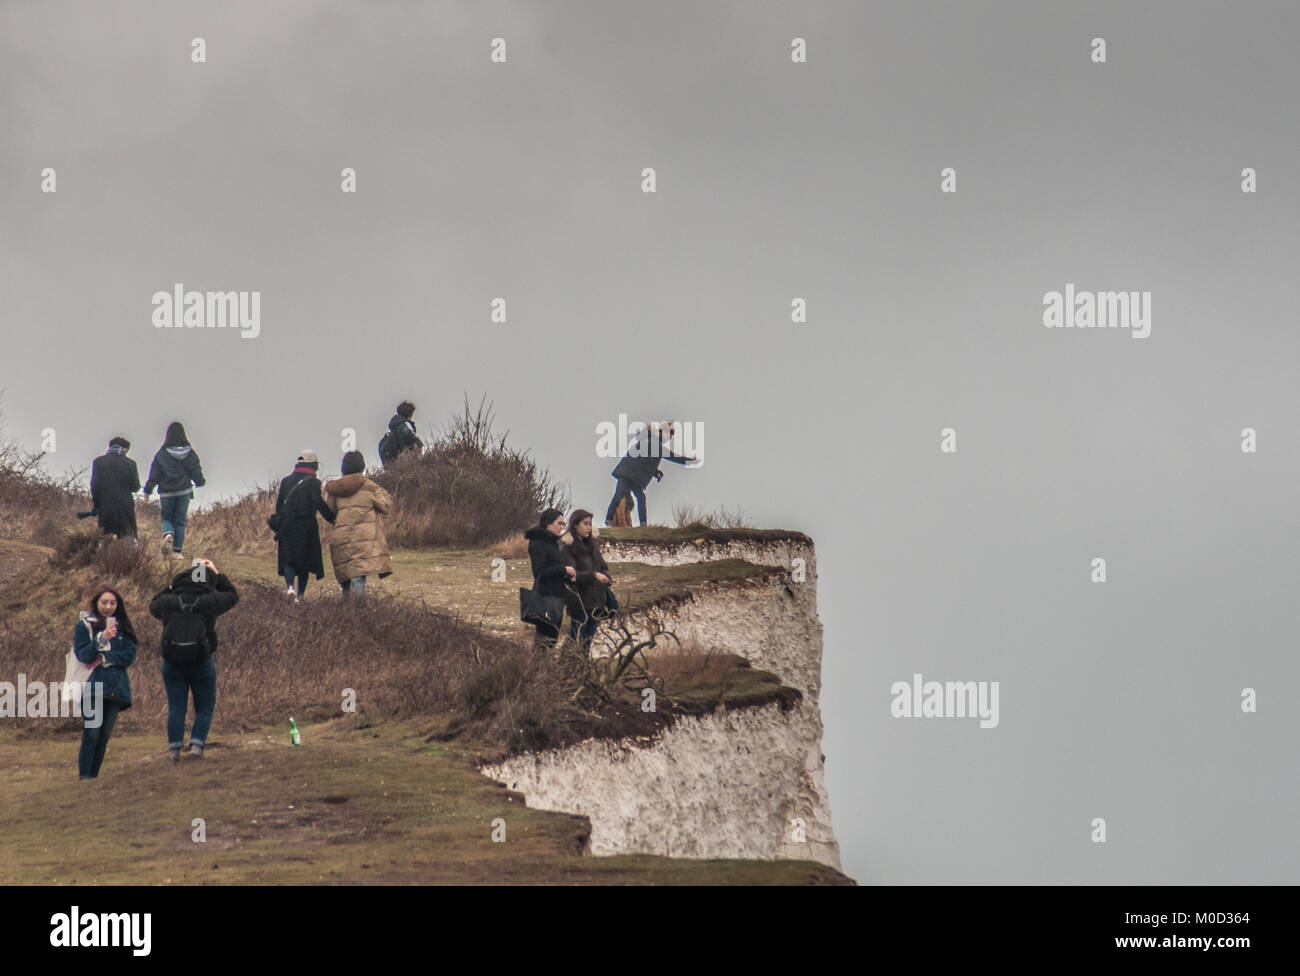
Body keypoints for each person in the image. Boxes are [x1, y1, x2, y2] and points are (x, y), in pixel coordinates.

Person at [149, 559, 239, 760]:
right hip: (201, 660)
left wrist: (171, 587)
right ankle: (197, 746)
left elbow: (153, 606)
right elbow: (232, 596)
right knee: (205, 708)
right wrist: (217, 572)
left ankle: (174, 750)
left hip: (172, 662)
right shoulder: (209, 602)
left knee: (176, 707)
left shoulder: (169, 602)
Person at [73, 585, 138, 779]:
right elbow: (83, 654)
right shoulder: (85, 626)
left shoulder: (124, 628)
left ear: (118, 605)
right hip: (93, 687)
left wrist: (104, 658)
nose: (108, 606)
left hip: (117, 687)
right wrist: (101, 638)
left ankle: (93, 777)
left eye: (112, 603)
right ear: (96, 603)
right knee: (91, 734)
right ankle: (84, 777)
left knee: (103, 737)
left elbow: (129, 655)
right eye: (104, 602)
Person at [323, 451, 393, 596]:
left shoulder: (335, 489)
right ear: (362, 466)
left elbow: (331, 511)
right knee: (358, 576)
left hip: (341, 537)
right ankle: (356, 613)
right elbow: (386, 505)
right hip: (363, 538)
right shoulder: (369, 486)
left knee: (346, 575)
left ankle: (346, 613)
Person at [604, 420, 698, 527]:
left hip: (631, 473)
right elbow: (671, 456)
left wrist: (656, 472)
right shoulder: (654, 443)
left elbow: (645, 461)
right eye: (670, 434)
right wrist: (688, 460)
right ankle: (612, 522)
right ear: (663, 432)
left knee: (634, 497)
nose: (670, 437)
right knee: (622, 496)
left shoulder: (651, 442)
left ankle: (638, 524)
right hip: (628, 473)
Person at [274, 450, 336, 602]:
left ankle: (290, 588)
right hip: (306, 526)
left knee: (289, 559)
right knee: (304, 562)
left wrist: (280, 522)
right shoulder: (314, 482)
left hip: (287, 525)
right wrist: (333, 518)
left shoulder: (286, 481)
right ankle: (300, 595)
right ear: (313, 465)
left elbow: (279, 505)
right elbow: (318, 502)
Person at [142, 421, 206, 559]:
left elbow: (154, 475)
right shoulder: (190, 452)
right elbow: (195, 469)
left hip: (166, 492)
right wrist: (200, 482)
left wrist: (147, 491)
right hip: (184, 491)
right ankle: (177, 552)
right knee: (180, 520)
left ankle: (168, 533)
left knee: (166, 517)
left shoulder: (161, 454)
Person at [562, 509, 618, 648]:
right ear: (575, 525)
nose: (589, 527)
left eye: (590, 524)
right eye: (585, 524)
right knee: (576, 641)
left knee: (587, 642)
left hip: (597, 601)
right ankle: (570, 667)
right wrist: (594, 575)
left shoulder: (592, 545)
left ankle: (583, 669)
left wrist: (606, 577)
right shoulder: (567, 548)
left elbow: (603, 567)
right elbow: (571, 575)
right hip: (580, 603)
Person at [524, 508, 577, 648]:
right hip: (545, 597)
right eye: (559, 523)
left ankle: (545, 669)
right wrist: (563, 569)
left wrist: (567, 576)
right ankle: (536, 670)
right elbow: (539, 571)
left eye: (563, 524)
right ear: (548, 523)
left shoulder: (552, 542)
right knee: (543, 643)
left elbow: (554, 569)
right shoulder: (538, 542)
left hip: (556, 597)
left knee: (551, 641)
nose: (562, 527)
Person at [89, 437, 140, 542]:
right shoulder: (131, 463)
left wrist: (96, 505)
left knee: (104, 538)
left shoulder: (98, 462)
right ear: (125, 449)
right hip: (125, 505)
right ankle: (127, 558)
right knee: (128, 537)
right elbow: (135, 487)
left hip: (105, 504)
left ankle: (105, 557)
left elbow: (94, 486)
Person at [378, 400, 423, 467]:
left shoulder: (394, 428)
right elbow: (413, 439)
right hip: (404, 461)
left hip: (393, 464)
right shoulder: (404, 425)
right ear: (410, 414)